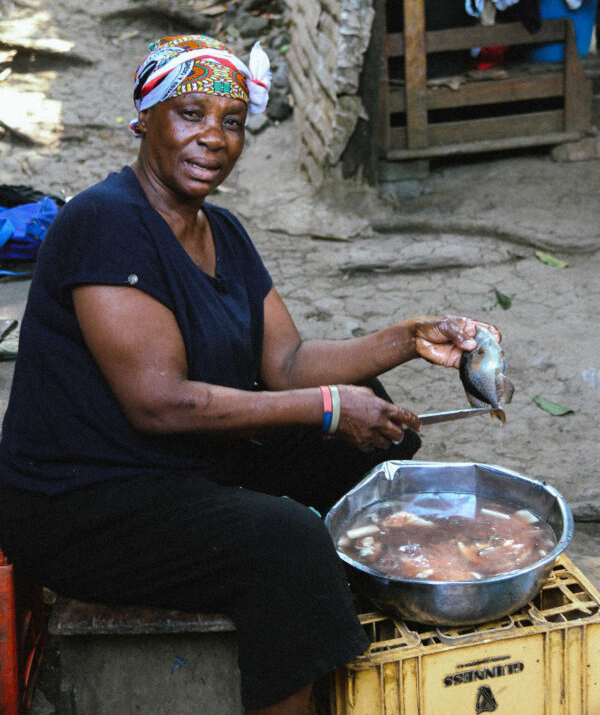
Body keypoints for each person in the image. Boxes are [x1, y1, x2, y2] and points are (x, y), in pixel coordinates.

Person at [0, 35, 501, 714]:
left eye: (230, 122)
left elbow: (287, 364)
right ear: (143, 118)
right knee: (286, 542)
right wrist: (326, 408)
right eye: (190, 114)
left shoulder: (223, 232)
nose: (212, 137)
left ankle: (294, 612)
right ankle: (287, 605)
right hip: (82, 503)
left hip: (179, 469)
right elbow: (162, 405)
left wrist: (409, 339)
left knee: (378, 428)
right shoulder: (107, 223)